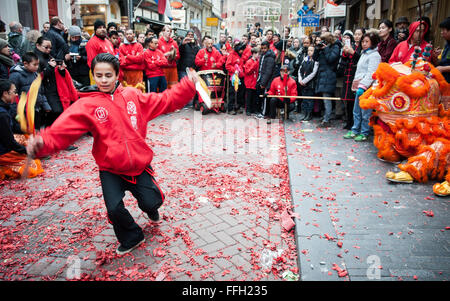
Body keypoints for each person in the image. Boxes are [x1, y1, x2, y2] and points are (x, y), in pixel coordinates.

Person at [25, 53, 200, 255]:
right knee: (114, 209)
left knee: (151, 201)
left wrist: (187, 86)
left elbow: (165, 100)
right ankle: (132, 236)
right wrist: (43, 143)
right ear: (93, 76)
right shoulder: (87, 105)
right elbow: (64, 131)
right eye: (99, 75)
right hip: (110, 168)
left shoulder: (133, 96)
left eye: (108, 75)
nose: (104, 80)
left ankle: (151, 206)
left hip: (138, 165)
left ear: (117, 74)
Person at [0, 79, 44, 180]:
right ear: (5, 93)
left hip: (6, 142)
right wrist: (27, 151)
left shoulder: (6, 107)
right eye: (14, 92)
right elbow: (9, 142)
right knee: (33, 166)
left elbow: (12, 127)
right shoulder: (2, 114)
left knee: (29, 139)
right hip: (3, 151)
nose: (16, 95)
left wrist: (27, 129)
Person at [343, 31, 381, 142]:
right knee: (356, 111)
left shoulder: (375, 56)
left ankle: (364, 132)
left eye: (367, 41)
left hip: (367, 88)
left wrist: (363, 86)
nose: (364, 44)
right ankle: (355, 130)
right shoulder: (364, 53)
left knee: (365, 112)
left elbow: (371, 73)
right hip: (359, 86)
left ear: (373, 43)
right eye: (363, 41)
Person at [9, 52, 51, 130]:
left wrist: (45, 105)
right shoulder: (16, 75)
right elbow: (12, 95)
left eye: (37, 64)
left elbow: (41, 91)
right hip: (23, 111)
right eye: (34, 64)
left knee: (36, 131)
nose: (37, 67)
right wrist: (15, 112)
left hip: (36, 109)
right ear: (25, 64)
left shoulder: (36, 75)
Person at [338, 28, 364, 130]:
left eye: (359, 34)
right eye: (356, 34)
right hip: (348, 74)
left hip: (356, 75)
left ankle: (355, 123)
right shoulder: (351, 45)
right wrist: (345, 52)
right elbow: (344, 60)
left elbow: (359, 59)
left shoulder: (363, 47)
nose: (357, 36)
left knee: (355, 101)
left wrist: (352, 52)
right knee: (348, 101)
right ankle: (349, 122)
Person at [313, 32, 341, 128]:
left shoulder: (335, 47)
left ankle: (327, 119)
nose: (322, 42)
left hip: (329, 75)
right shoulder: (324, 47)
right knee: (324, 98)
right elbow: (315, 58)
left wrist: (325, 49)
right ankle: (325, 116)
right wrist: (317, 49)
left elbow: (331, 59)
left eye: (323, 40)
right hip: (322, 74)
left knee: (327, 98)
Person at [86, 20, 115, 84]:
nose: (102, 29)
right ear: (95, 30)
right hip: (98, 74)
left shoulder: (108, 42)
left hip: (109, 72)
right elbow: (92, 62)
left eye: (104, 27)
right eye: (99, 27)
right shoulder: (92, 42)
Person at [256, 41, 277, 118]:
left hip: (268, 81)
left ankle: (264, 113)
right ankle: (263, 111)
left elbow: (268, 72)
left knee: (265, 97)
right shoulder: (263, 56)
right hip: (262, 79)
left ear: (268, 48)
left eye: (265, 48)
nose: (263, 50)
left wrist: (263, 83)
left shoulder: (270, 58)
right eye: (262, 48)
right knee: (262, 98)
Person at [298, 46, 319, 120]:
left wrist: (304, 81)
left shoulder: (315, 61)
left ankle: (309, 114)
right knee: (304, 99)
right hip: (303, 83)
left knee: (309, 99)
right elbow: (300, 70)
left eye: (311, 50)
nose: (309, 52)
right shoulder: (305, 59)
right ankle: (305, 113)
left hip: (310, 84)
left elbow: (313, 73)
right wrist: (300, 80)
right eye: (308, 50)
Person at [226, 42, 246, 114]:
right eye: (241, 49)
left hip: (241, 77)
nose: (242, 51)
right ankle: (230, 108)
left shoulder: (241, 55)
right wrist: (234, 70)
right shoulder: (232, 55)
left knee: (240, 93)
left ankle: (237, 107)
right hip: (234, 77)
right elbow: (227, 65)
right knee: (232, 93)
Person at [244, 47, 260, 116]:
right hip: (249, 82)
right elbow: (247, 71)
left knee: (254, 96)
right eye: (257, 54)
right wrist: (254, 65)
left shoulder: (257, 61)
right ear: (253, 54)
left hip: (254, 81)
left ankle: (253, 109)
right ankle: (248, 110)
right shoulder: (249, 61)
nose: (258, 55)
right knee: (249, 97)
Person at [436, 17, 450, 83]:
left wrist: (442, 69)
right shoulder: (447, 43)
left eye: (443, 30)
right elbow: (442, 60)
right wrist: (435, 56)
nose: (441, 33)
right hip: (444, 79)